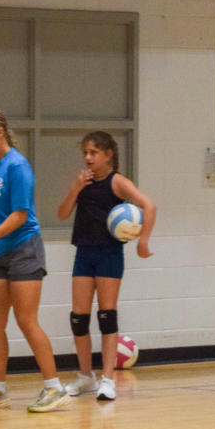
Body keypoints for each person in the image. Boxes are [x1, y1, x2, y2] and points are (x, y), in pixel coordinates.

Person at [0, 108, 70, 413]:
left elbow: (20, 215)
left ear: (0, 132)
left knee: (26, 320)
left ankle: (54, 388)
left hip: (24, 249)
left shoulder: (17, 166)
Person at [57, 131, 156, 400]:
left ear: (108, 155)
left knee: (107, 316)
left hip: (109, 254)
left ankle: (108, 380)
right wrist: (76, 187)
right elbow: (62, 213)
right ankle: (85, 377)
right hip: (84, 254)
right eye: (85, 153)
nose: (88, 158)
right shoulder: (83, 181)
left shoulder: (117, 182)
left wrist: (142, 242)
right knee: (78, 319)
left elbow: (149, 206)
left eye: (94, 153)